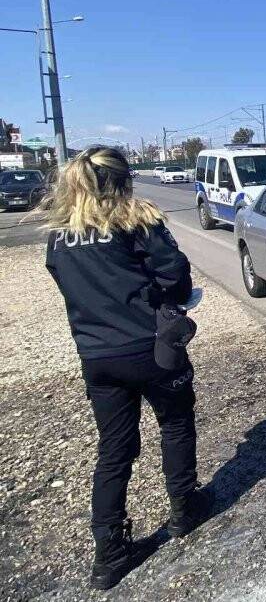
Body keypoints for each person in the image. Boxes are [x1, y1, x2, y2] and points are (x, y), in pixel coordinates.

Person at [43, 148, 211, 590]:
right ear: (123, 180)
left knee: (114, 449)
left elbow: (64, 282)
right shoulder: (135, 219)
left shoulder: (62, 233)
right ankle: (183, 509)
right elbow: (175, 274)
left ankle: (109, 555)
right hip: (149, 347)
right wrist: (160, 299)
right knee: (175, 423)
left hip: (97, 356)